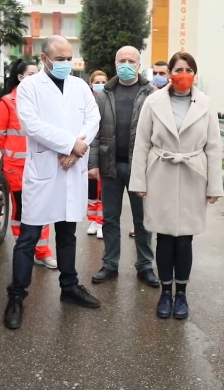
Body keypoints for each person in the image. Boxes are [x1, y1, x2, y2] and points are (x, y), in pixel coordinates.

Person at [4, 36, 102, 330]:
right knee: (28, 238)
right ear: (44, 59)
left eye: (69, 58)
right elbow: (31, 125)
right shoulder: (29, 87)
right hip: (45, 170)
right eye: (60, 59)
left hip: (71, 168)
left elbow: (93, 118)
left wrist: (77, 149)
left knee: (68, 234)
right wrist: (71, 144)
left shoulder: (80, 86)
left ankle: (69, 287)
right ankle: (17, 296)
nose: (66, 64)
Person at [130, 52, 224, 320]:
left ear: (195, 73)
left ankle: (181, 294)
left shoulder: (205, 103)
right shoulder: (153, 102)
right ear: (169, 72)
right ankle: (164, 292)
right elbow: (142, 143)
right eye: (178, 69)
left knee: (184, 240)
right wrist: (139, 180)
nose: (183, 73)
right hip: (160, 172)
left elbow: (214, 147)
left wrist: (214, 186)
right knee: (163, 237)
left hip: (193, 174)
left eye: (188, 69)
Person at [89, 46, 160, 288]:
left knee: (143, 220)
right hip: (110, 166)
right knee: (109, 218)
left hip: (140, 168)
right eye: (122, 60)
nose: (126, 64)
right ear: (115, 63)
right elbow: (95, 133)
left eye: (132, 61)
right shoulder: (104, 94)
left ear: (139, 65)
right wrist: (93, 164)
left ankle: (145, 266)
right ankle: (110, 264)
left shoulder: (151, 94)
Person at [0, 59, 58, 269]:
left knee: (43, 208)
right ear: (20, 77)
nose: (37, 78)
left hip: (40, 165)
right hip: (17, 167)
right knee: (22, 209)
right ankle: (24, 249)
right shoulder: (8, 102)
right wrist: (11, 156)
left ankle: (42, 251)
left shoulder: (43, 101)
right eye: (32, 74)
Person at [87, 70, 108, 239]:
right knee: (91, 191)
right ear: (91, 84)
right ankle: (92, 220)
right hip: (87, 152)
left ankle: (101, 222)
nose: (100, 84)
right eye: (97, 82)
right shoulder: (86, 102)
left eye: (103, 81)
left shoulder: (108, 101)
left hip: (103, 152)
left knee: (103, 192)